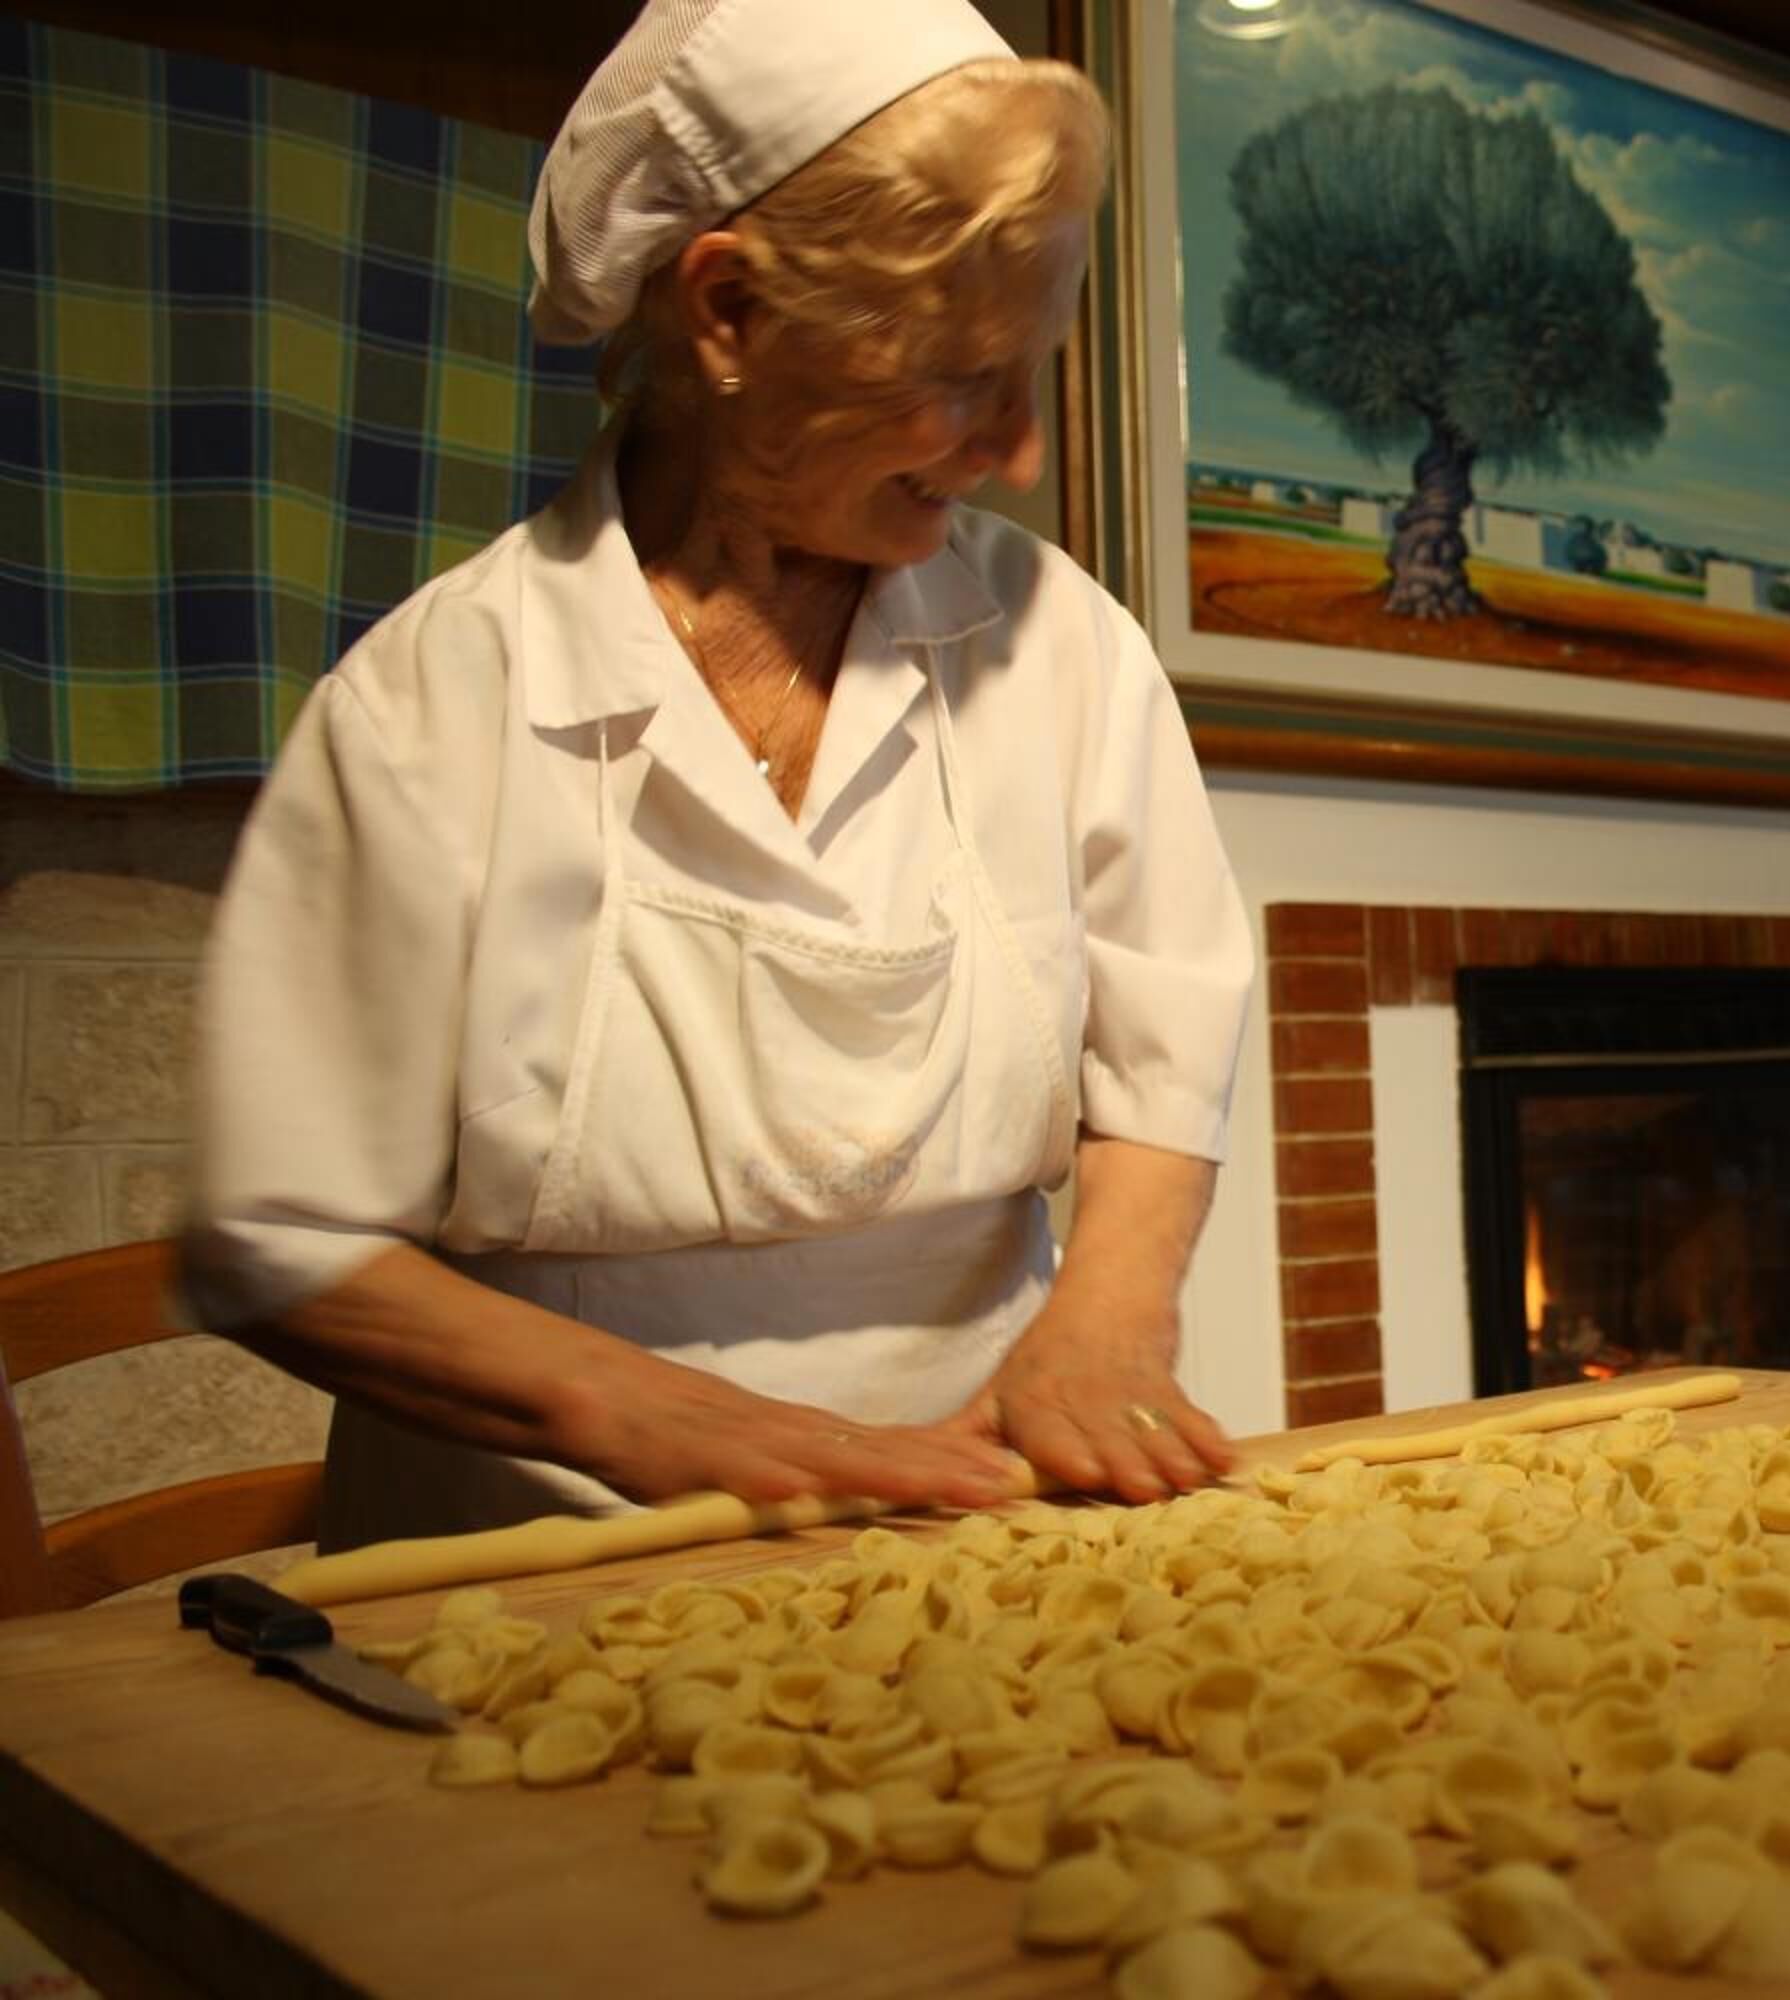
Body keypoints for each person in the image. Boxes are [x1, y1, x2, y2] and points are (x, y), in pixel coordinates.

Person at [179, 0, 1254, 1546]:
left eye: (1034, 370)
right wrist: (646, 1413)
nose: (1018, 448)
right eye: (961, 375)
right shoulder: (438, 701)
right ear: (730, 312)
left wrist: (1107, 1322)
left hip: (992, 1503)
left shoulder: (1061, 648)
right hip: (538, 1546)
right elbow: (271, 1234)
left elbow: (1165, 1058)